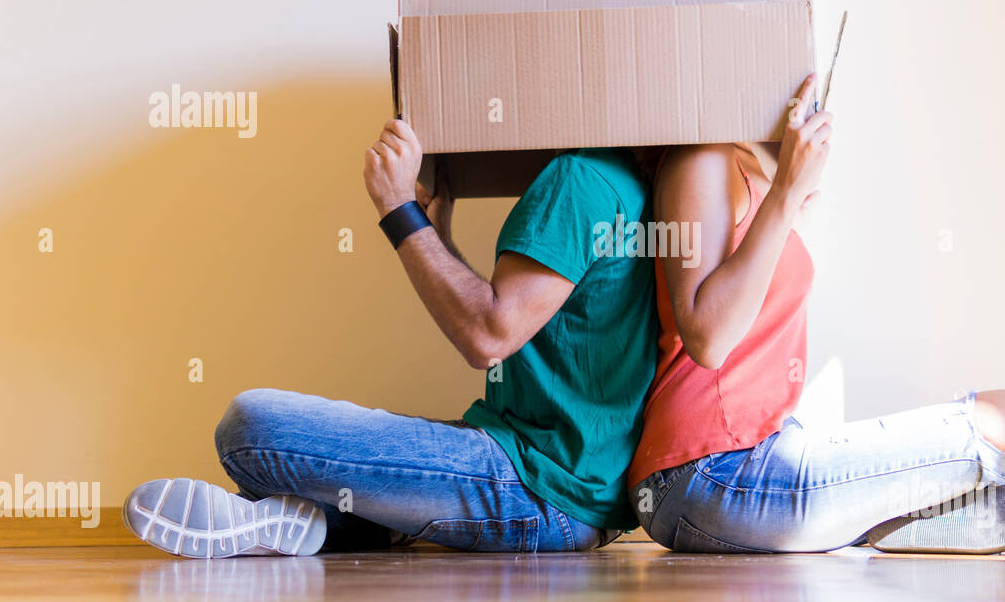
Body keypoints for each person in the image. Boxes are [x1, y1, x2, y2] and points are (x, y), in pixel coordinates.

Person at [627, 74, 1005, 554]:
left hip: (758, 457)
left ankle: (919, 523)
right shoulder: (700, 158)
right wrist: (786, 194)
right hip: (706, 475)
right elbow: (708, 340)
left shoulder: (742, 165)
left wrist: (788, 189)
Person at [122, 119, 658, 557]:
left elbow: (487, 334)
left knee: (250, 424)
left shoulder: (580, 179)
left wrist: (397, 210)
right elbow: (508, 315)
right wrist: (438, 237)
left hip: (535, 485)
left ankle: (332, 519)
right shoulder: (625, 184)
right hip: (573, 496)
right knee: (342, 465)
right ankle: (277, 524)